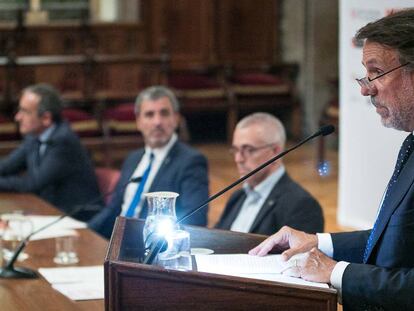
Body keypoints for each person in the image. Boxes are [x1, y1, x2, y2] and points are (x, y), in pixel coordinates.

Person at [249, 9, 414, 311]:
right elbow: (394, 240)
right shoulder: (411, 143)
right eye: (365, 75)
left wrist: (334, 271)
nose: (366, 89)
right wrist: (317, 243)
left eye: (376, 72)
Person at [88, 86, 209, 239]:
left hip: (152, 249)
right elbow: (113, 209)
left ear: (176, 119)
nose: (157, 122)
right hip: (115, 244)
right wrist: (83, 231)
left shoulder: (190, 161)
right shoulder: (133, 158)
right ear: (138, 121)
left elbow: (195, 221)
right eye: (149, 115)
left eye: (164, 113)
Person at [0, 83, 102, 221]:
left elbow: (33, 183)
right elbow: (7, 166)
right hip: (50, 212)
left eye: (25, 111)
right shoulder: (34, 136)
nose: (17, 117)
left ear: (46, 118)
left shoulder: (63, 141)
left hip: (77, 217)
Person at [215, 113, 323, 235]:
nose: (238, 159)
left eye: (249, 150)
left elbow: (298, 253)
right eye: (235, 150)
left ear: (276, 152)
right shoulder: (237, 196)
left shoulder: (301, 205)